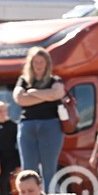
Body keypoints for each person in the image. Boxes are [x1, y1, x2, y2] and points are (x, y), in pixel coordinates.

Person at [11, 47, 65, 187]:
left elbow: (57, 94)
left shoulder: (55, 80)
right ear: (30, 64)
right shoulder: (23, 80)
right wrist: (46, 96)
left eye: (41, 62)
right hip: (27, 127)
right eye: (36, 62)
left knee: (49, 170)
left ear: (47, 64)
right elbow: (20, 99)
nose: (39, 65)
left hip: (50, 127)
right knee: (28, 170)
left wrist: (33, 92)